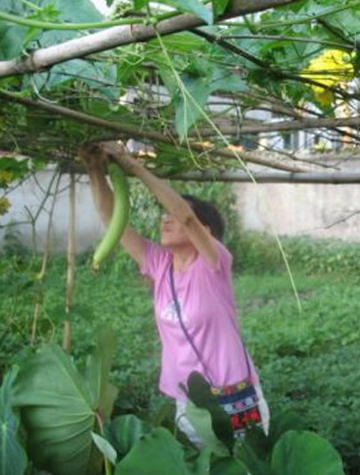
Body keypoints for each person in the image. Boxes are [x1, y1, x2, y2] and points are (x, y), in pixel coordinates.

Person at [79, 141, 269, 446]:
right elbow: (111, 218)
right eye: (163, 215)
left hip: (235, 394)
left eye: (174, 215)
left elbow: (186, 217)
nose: (166, 218)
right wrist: (94, 169)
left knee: (246, 464)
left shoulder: (214, 263)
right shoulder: (159, 264)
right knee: (206, 467)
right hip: (188, 401)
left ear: (205, 232)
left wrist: (136, 167)